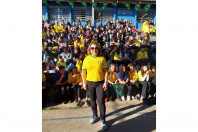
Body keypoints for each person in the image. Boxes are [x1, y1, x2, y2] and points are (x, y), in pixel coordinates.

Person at [82, 42, 108, 131]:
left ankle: (103, 120)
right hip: (90, 82)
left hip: (100, 83)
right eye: (92, 48)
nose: (94, 50)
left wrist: (105, 82)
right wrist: (84, 83)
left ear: (98, 49)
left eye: (96, 48)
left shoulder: (102, 59)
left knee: (101, 101)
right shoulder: (86, 59)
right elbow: (83, 72)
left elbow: (106, 72)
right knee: (92, 100)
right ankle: (94, 115)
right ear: (89, 49)